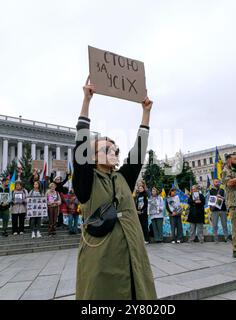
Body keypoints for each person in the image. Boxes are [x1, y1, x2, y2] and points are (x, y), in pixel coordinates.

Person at [72, 77, 156, 300]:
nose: (113, 152)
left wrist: (145, 113)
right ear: (91, 156)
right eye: (106, 148)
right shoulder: (86, 181)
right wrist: (86, 101)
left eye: (115, 149)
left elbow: (138, 152)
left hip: (132, 255)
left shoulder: (122, 178)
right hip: (102, 258)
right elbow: (80, 146)